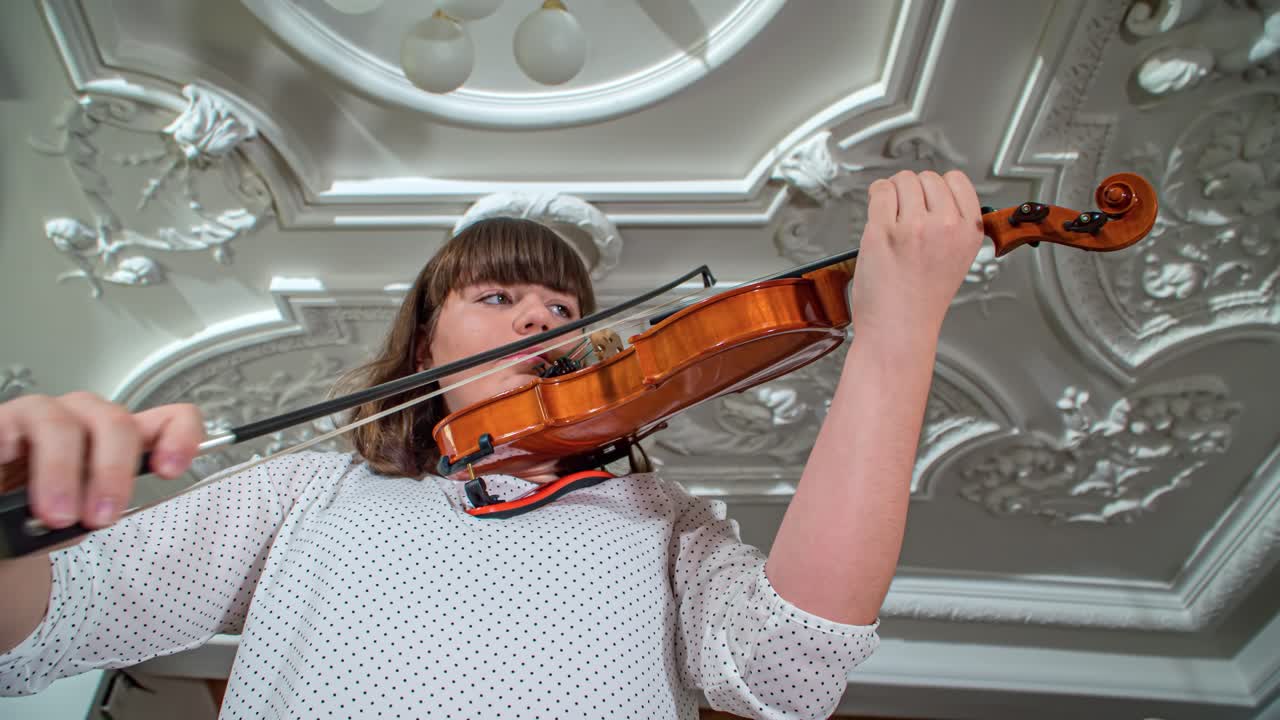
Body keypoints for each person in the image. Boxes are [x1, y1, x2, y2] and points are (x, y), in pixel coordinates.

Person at [0, 170, 984, 719]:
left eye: (563, 308)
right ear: (426, 338)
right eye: (498, 296)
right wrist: (14, 518)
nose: (537, 323)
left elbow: (786, 670)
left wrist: (895, 333)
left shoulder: (660, 520)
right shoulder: (307, 491)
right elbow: (55, 622)